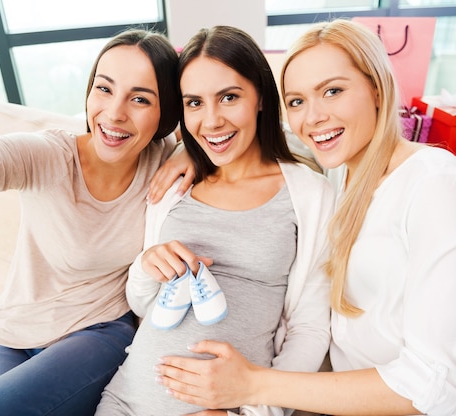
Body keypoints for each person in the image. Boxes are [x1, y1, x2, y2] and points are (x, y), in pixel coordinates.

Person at [153, 19, 456, 415]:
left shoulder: (439, 189)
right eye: (298, 101)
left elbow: (427, 385)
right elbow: (261, 134)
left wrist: (252, 386)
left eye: (333, 91)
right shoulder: (339, 168)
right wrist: (192, 146)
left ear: (376, 87)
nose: (314, 117)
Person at [0, 29, 191, 415]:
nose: (114, 113)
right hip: (9, 331)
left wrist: (190, 152)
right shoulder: (49, 155)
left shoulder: (161, 157)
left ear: (165, 114)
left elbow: (237, 131)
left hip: (96, 332)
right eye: (104, 89)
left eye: (140, 98)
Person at [95, 25, 334, 416]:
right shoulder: (172, 185)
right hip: (127, 400)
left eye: (228, 97)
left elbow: (309, 328)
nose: (211, 121)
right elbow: (141, 303)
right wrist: (146, 265)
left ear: (260, 96)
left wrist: (257, 411)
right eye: (194, 103)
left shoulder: (310, 195)